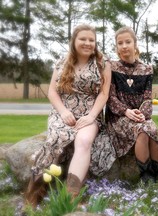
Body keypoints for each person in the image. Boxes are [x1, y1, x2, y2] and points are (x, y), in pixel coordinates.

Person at [24, 24, 115, 208]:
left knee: (83, 141)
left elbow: (104, 94)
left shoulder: (103, 63)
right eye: (83, 39)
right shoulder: (62, 62)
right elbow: (51, 91)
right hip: (62, 113)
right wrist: (64, 112)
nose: (88, 43)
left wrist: (91, 116)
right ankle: (34, 194)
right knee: (56, 138)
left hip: (90, 115)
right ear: (74, 41)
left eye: (91, 40)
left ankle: (71, 196)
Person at [105, 26, 158, 183]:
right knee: (143, 131)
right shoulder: (112, 67)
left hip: (140, 115)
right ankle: (145, 177)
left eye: (128, 42)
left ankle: (157, 172)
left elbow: (147, 97)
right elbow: (110, 98)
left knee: (153, 129)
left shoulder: (147, 69)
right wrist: (126, 111)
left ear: (135, 44)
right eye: (120, 43)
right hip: (118, 117)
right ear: (117, 47)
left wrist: (142, 113)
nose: (124, 46)